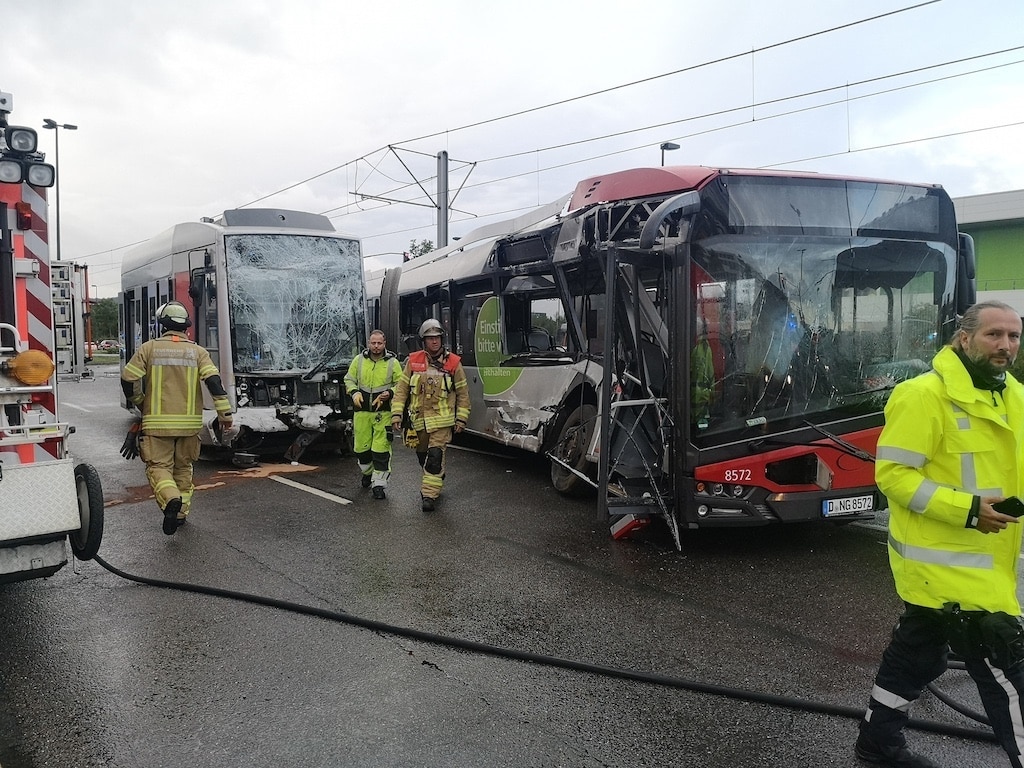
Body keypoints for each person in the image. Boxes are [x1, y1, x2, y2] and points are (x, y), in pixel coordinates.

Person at [857, 300, 1024, 768]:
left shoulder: (1015, 396)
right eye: (994, 334)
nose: (1006, 345)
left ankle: (878, 743)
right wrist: (969, 510)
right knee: (1005, 664)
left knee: (917, 655)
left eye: (1013, 336)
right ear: (964, 338)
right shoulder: (922, 396)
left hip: (989, 560)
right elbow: (893, 477)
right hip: (944, 565)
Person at [121, 301, 233, 535]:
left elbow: (128, 378)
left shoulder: (149, 348)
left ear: (162, 324)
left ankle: (170, 499)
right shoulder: (198, 351)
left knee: (159, 467)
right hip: (189, 426)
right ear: (186, 327)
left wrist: (141, 401)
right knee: (183, 469)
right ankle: (180, 513)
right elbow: (214, 383)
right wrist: (225, 415)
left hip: (157, 424)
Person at [391, 319, 470, 512]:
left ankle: (429, 495)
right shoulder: (413, 361)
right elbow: (401, 391)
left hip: (442, 423)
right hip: (418, 422)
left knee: (434, 457)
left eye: (437, 338)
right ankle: (435, 476)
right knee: (423, 457)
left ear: (442, 339)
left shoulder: (453, 363)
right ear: (423, 341)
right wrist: (396, 415)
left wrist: (461, 418)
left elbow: (463, 393)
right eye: (430, 338)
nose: (434, 342)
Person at [344, 329, 401, 499]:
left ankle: (379, 485)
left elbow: (402, 384)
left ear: (385, 344)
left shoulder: (393, 363)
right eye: (373, 343)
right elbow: (349, 379)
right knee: (361, 449)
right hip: (361, 413)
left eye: (379, 343)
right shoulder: (359, 360)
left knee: (380, 449)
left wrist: (389, 393)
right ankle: (368, 473)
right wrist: (354, 393)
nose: (376, 346)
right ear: (369, 343)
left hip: (382, 413)